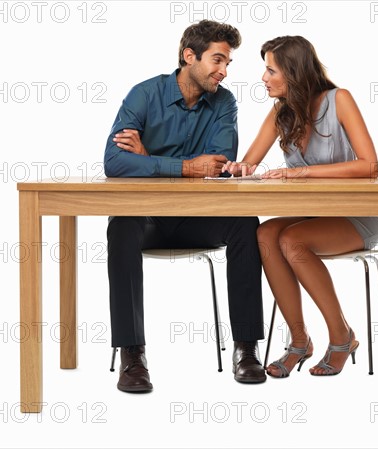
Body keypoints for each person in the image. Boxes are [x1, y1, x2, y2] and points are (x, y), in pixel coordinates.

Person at [103, 20, 266, 392]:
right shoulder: (143, 95)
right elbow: (113, 162)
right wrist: (184, 167)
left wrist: (148, 159)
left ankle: (246, 348)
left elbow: (219, 165)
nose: (224, 72)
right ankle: (132, 356)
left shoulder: (223, 102)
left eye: (228, 63)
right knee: (121, 225)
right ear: (188, 56)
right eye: (218, 60)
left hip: (199, 217)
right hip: (149, 219)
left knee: (245, 223)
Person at [223, 36, 378, 377]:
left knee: (292, 240)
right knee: (266, 233)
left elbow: (369, 165)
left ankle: (342, 338)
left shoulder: (339, 100)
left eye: (271, 70)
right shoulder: (280, 112)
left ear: (294, 73)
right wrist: (237, 168)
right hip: (321, 212)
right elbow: (249, 163)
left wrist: (300, 172)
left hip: (362, 212)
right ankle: (300, 341)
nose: (263, 77)